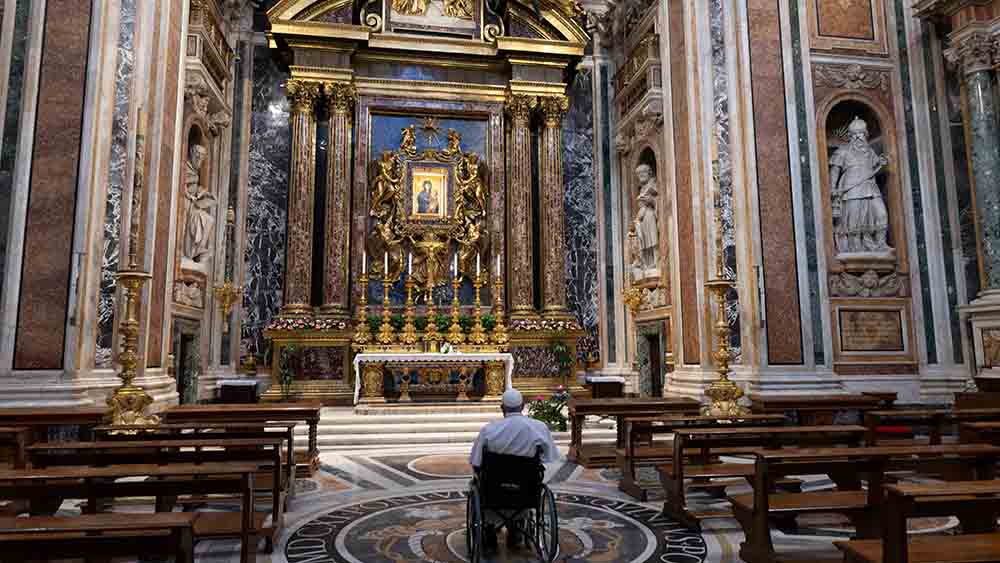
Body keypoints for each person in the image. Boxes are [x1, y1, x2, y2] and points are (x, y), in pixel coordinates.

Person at [469, 388, 560, 550]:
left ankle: (489, 527)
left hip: (493, 491)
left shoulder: (489, 430)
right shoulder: (539, 428)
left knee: (480, 481)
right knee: (527, 481)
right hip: (526, 491)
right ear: (523, 406)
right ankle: (517, 526)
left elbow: (476, 461)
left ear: (502, 408)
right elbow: (549, 457)